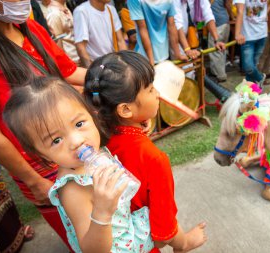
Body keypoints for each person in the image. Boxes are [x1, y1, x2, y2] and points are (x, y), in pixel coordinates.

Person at [0, 0, 86, 250]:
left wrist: (115, 73)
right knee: (82, 236)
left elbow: (67, 71)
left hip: (74, 145)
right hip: (39, 165)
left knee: (105, 221)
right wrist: (33, 180)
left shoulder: (30, 28)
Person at [3, 76, 154, 253]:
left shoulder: (95, 154)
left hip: (129, 230)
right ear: (43, 155)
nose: (76, 141)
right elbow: (91, 249)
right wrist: (102, 212)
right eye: (56, 140)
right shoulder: (73, 189)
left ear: (92, 115)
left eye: (79, 123)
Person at [84, 50, 207, 253]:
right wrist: (185, 242)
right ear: (124, 110)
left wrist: (137, 120)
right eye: (150, 89)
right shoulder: (154, 159)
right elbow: (163, 233)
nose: (157, 93)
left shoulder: (94, 138)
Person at [127, 0, 187, 65]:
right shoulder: (134, 1)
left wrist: (177, 54)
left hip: (164, 54)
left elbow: (172, 25)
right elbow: (142, 28)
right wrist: (151, 61)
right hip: (144, 57)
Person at [74, 0, 128, 68]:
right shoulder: (82, 11)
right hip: (96, 65)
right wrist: (92, 72)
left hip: (113, 63)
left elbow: (120, 41)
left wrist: (126, 64)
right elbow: (81, 46)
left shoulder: (111, 9)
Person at [234, 0, 268, 87]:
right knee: (248, 67)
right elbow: (240, 11)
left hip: (262, 33)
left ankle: (252, 93)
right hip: (247, 35)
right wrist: (237, 33)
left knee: (254, 65)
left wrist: (266, 14)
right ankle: (260, 78)